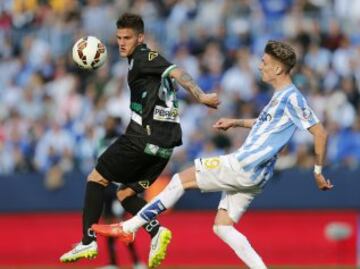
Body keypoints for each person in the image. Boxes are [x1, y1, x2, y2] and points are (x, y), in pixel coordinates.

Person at [92, 40, 334, 269]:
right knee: (222, 227)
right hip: (256, 176)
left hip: (243, 165)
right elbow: (264, 124)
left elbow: (320, 132)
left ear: (278, 68)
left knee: (180, 180)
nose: (260, 65)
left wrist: (318, 172)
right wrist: (235, 122)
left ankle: (130, 226)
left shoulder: (292, 97)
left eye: (264, 62)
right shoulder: (280, 97)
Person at [60, 12, 220, 268]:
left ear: (140, 38)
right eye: (119, 37)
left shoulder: (145, 57)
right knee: (124, 193)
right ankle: (156, 232)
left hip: (142, 139)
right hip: (164, 148)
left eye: (128, 37)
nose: (122, 42)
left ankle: (88, 240)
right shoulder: (139, 62)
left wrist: (200, 96)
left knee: (96, 178)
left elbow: (179, 72)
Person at [96, 116, 146, 269]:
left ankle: (136, 261)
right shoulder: (102, 140)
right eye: (106, 122)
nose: (107, 125)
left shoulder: (121, 140)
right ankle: (113, 263)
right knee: (108, 225)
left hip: (119, 185)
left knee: (123, 226)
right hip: (107, 187)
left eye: (109, 122)